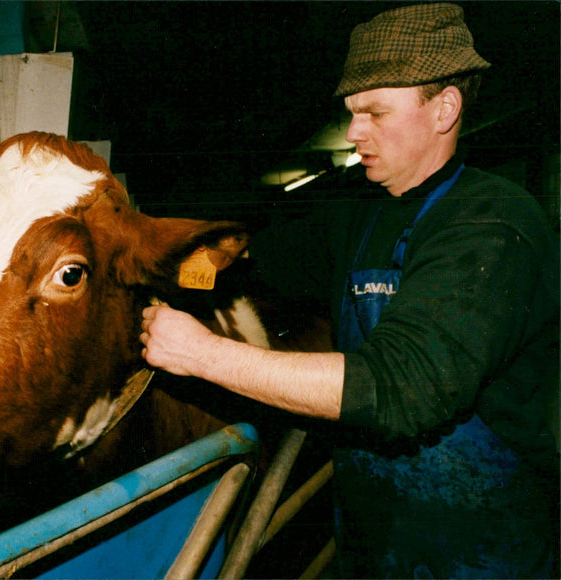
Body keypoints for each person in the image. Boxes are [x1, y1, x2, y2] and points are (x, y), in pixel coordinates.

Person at [140, 3, 559, 578]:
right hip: (372, 543)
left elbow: (397, 388)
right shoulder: (355, 219)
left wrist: (202, 353)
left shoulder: (493, 226)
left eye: (375, 113)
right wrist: (171, 257)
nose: (355, 131)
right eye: (352, 113)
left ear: (445, 109)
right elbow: (251, 261)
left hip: (485, 551)